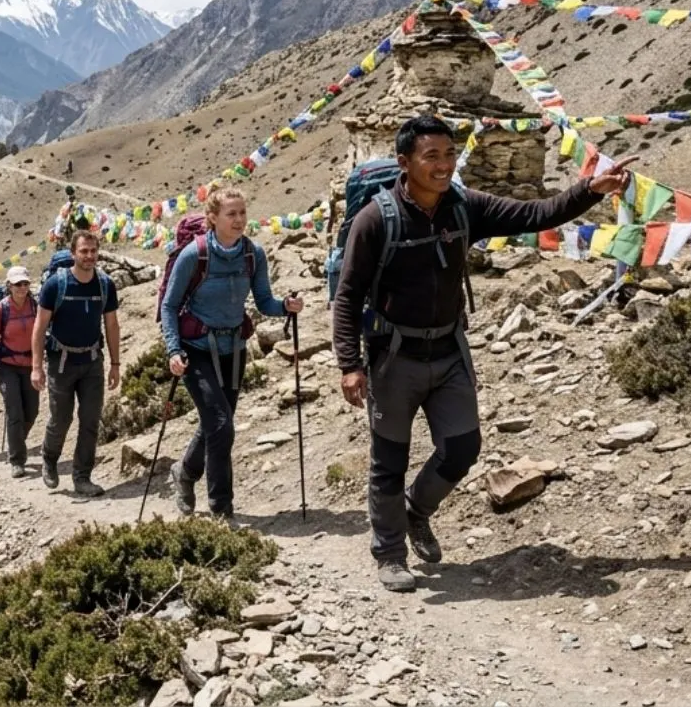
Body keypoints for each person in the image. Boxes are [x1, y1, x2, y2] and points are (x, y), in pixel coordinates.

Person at [332, 114, 635, 592]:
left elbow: (534, 214)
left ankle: (416, 510)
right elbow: (347, 295)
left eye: (450, 154)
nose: (443, 165)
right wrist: (350, 364)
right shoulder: (376, 220)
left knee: (462, 448)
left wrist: (589, 190)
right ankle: (389, 553)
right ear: (404, 161)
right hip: (394, 357)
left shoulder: (462, 206)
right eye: (431, 156)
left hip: (449, 350)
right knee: (388, 459)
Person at [160, 188, 303, 520]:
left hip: (234, 351)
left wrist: (285, 306)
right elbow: (170, 305)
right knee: (222, 425)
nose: (239, 220)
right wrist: (172, 349)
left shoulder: (253, 254)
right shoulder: (193, 256)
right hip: (195, 352)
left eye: (242, 212)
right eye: (231, 214)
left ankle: (183, 472)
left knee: (216, 423)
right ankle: (221, 509)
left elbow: (264, 301)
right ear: (213, 218)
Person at [31, 229, 120, 497]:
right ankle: (49, 458)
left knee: (91, 419)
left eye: (93, 251)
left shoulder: (105, 285)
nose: (89, 256)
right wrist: (36, 367)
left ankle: (82, 477)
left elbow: (112, 324)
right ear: (73, 254)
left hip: (93, 361)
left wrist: (116, 364)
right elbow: (39, 326)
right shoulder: (55, 285)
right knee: (61, 418)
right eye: (84, 251)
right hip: (62, 362)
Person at [0, 265, 39, 478]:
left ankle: (16, 441)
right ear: (9, 286)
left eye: (25, 283)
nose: (22, 288)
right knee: (14, 412)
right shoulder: (1, 309)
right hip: (8, 366)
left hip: (30, 366)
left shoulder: (35, 306)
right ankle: (17, 460)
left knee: (32, 412)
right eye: (18, 284)